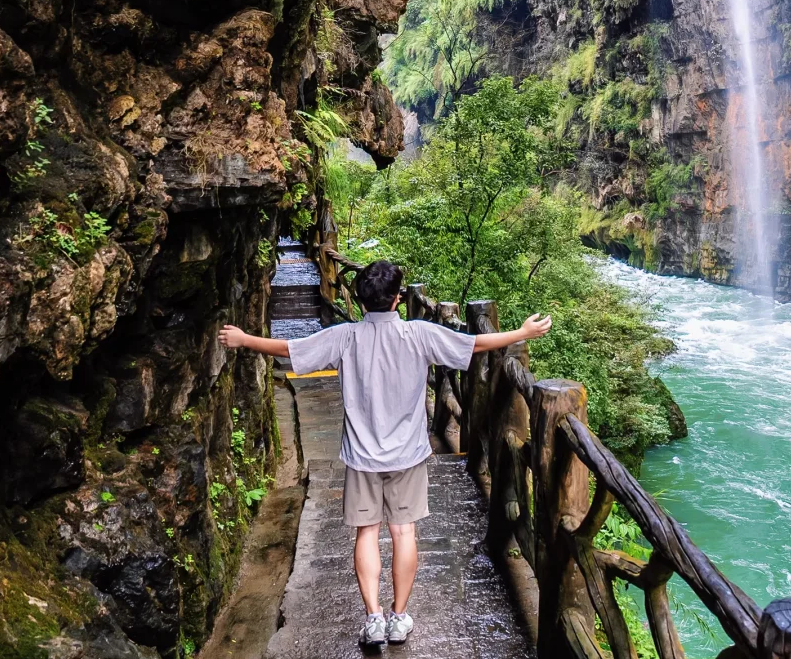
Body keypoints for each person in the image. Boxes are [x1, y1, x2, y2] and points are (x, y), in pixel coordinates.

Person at [218, 258, 552, 647]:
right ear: (397, 299)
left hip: (361, 457)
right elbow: (475, 345)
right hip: (407, 455)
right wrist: (521, 332)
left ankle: (373, 618)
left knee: (366, 533)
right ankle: (398, 617)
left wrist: (244, 339)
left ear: (361, 301)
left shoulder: (345, 337)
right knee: (404, 532)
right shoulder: (419, 335)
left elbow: (290, 349)